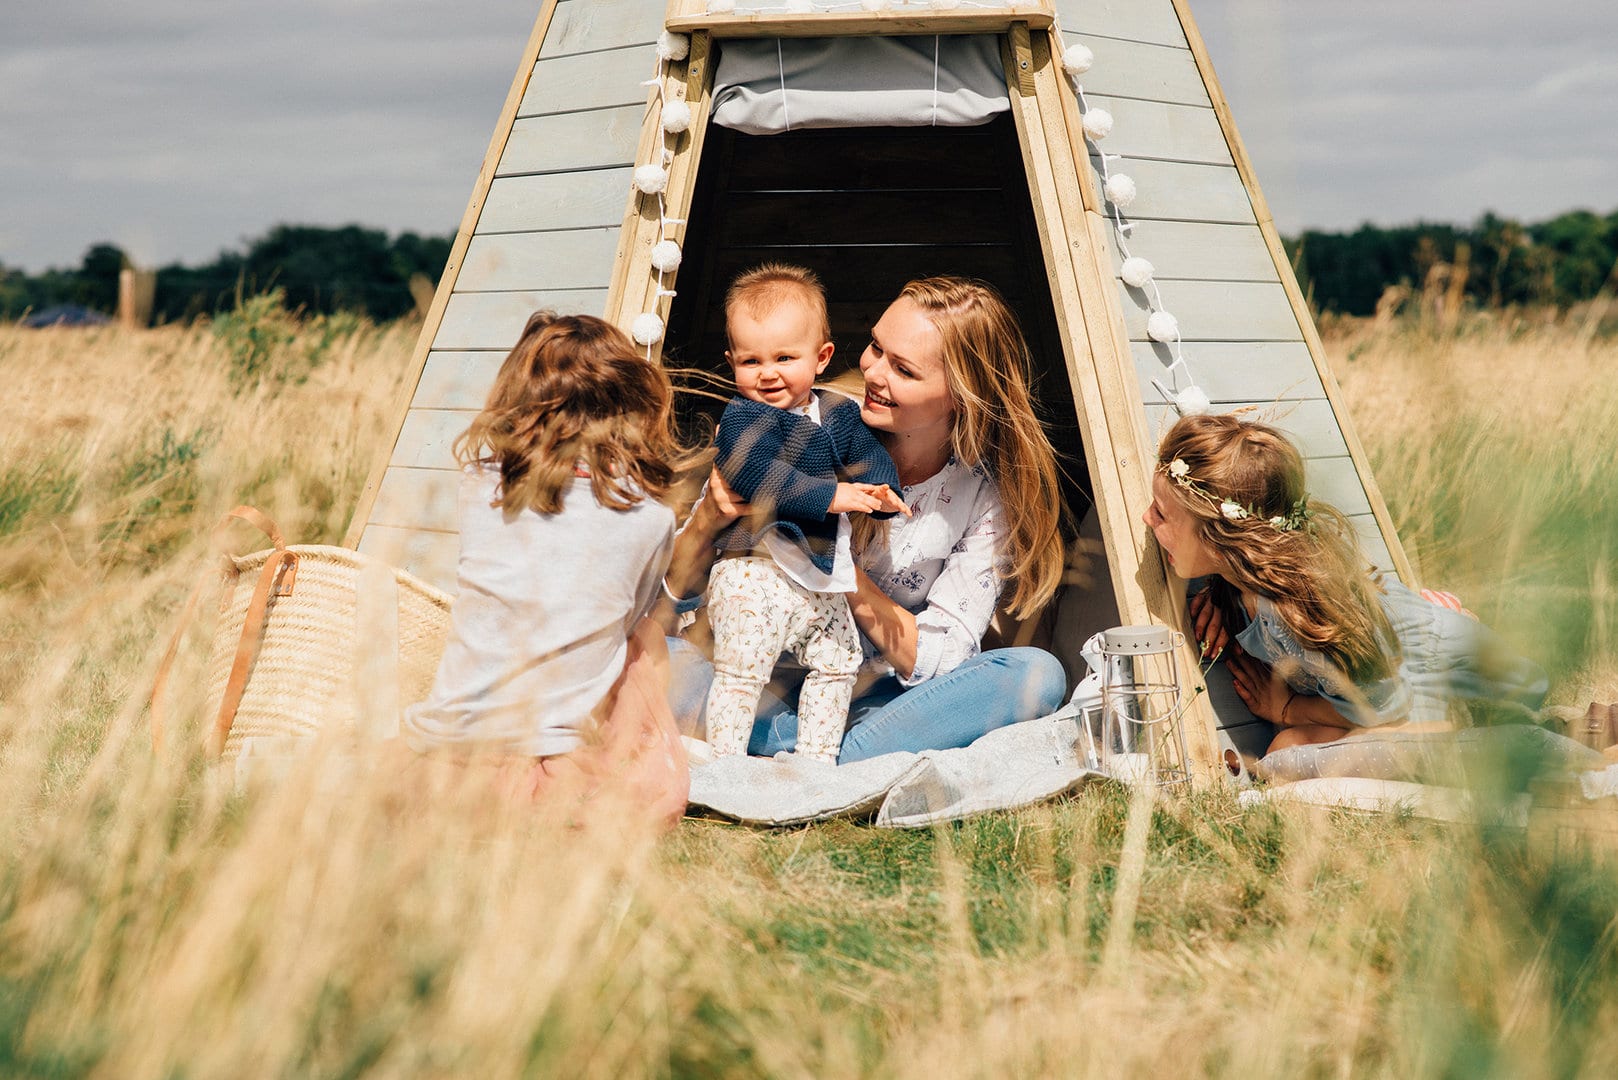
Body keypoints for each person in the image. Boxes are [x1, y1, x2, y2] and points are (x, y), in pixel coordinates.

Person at [664, 276, 1070, 763]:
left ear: (959, 394)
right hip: (754, 676)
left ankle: (797, 747)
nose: (873, 372)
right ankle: (835, 756)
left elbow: (944, 659)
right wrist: (708, 519)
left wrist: (834, 570)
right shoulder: (809, 418)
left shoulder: (982, 496)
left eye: (903, 369)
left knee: (1037, 675)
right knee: (652, 658)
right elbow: (673, 600)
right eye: (876, 347)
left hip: (876, 699)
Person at [402, 311, 689, 827]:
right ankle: (632, 753)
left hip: (448, 751)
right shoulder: (651, 517)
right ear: (631, 405)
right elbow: (628, 620)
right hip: (551, 767)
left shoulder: (481, 487)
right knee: (645, 636)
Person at [1145, 412, 1548, 754]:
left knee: (1286, 751)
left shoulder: (1298, 610)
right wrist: (1213, 596)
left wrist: (1286, 709)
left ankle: (1482, 722)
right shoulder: (1237, 584)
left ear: (1220, 538)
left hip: (1460, 689)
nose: (1147, 519)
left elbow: (1384, 707)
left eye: (1161, 514)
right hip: (1403, 678)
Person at [704, 264, 910, 762]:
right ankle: (723, 766)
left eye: (784, 357)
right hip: (752, 570)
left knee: (840, 661)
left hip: (818, 573)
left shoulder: (837, 412)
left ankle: (816, 763)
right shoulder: (743, 418)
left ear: (821, 358)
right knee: (742, 671)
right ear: (731, 362)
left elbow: (867, 457)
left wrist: (882, 492)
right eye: (750, 360)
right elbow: (757, 474)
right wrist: (831, 497)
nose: (767, 372)